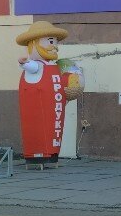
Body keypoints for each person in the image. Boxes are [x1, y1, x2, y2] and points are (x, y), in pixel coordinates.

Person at [16, 21, 84, 166]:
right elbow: (29, 66)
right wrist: (23, 63)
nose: (55, 46)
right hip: (41, 115)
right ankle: (38, 155)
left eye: (55, 42)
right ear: (34, 43)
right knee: (43, 131)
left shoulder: (54, 66)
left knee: (53, 133)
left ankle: (52, 154)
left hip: (54, 113)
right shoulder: (37, 66)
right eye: (51, 41)